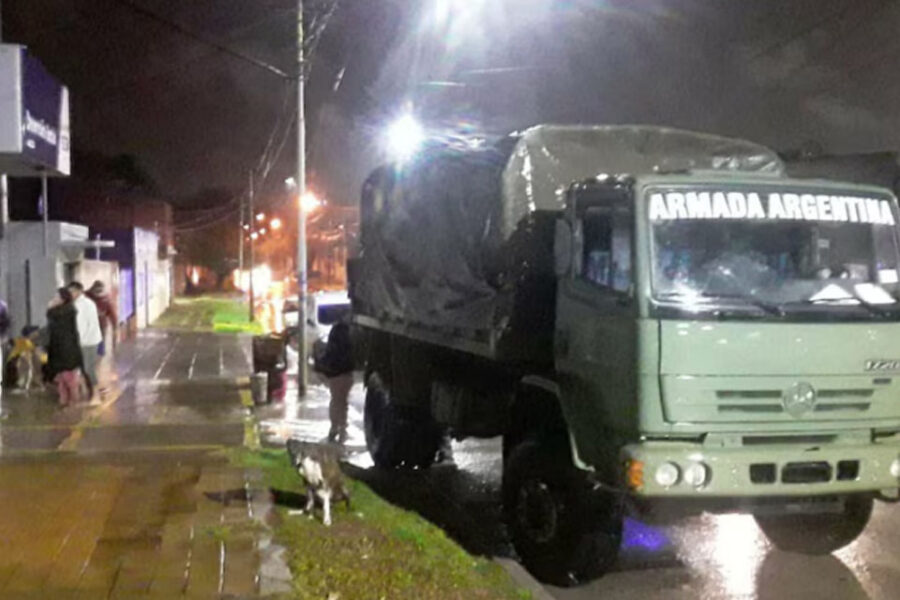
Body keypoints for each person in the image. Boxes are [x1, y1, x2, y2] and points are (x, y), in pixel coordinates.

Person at [318, 320, 355, 444]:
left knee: (336, 400)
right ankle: (342, 429)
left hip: (336, 373)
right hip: (346, 372)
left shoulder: (335, 333)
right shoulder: (348, 333)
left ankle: (334, 428)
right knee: (343, 403)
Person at [46, 288, 83, 407]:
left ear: (63, 299)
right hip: (59, 349)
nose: (54, 299)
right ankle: (64, 400)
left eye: (57, 297)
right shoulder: (62, 311)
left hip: (66, 350)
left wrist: (50, 307)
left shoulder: (66, 311)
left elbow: (53, 317)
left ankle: (73, 400)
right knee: (61, 377)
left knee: (68, 377)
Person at [67, 281, 103, 402]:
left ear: (79, 291)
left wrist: (79, 341)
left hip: (89, 341)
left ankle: (96, 394)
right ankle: (91, 392)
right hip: (81, 341)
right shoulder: (74, 304)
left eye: (72, 291)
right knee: (83, 369)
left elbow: (84, 326)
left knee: (88, 368)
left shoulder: (86, 304)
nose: (70, 294)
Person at [86, 280, 117, 388]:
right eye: (97, 291)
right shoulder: (87, 297)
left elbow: (112, 313)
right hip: (89, 327)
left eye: (100, 292)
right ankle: (92, 366)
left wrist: (115, 325)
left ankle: (96, 366)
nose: (99, 294)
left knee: (99, 349)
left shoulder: (105, 299)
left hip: (101, 327)